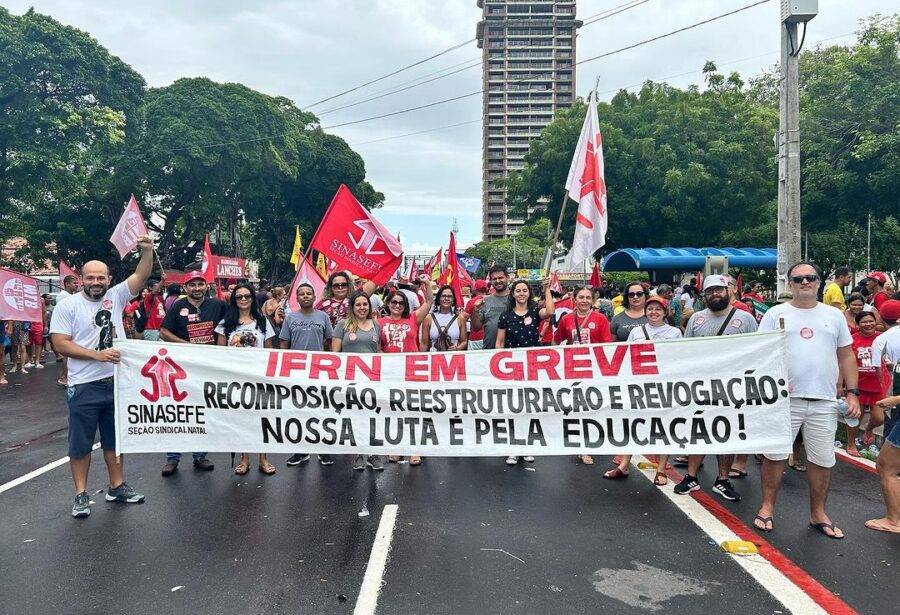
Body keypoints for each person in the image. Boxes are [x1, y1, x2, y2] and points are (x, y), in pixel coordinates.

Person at [49, 234, 154, 518]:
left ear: (109, 279)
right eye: (90, 277)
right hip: (84, 385)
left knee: (115, 439)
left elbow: (141, 276)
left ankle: (116, 486)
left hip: (117, 383)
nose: (96, 282)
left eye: (101, 278)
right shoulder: (67, 306)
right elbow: (59, 343)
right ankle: (80, 494)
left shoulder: (116, 296)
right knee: (80, 443)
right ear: (81, 279)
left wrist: (147, 251)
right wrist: (98, 355)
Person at [753, 262, 861, 538]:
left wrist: (853, 392)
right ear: (790, 284)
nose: (805, 282)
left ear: (818, 283)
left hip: (824, 399)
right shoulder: (775, 313)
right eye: (798, 279)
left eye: (810, 278)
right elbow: (759, 352)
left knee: (822, 460)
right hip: (783, 399)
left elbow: (846, 355)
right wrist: (767, 384)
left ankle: (818, 514)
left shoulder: (834, 316)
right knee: (775, 455)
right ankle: (766, 508)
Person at [673, 275, 758, 502]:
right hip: (700, 386)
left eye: (719, 290)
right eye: (710, 291)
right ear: (704, 295)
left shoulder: (746, 319)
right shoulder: (696, 320)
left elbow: (757, 352)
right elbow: (685, 353)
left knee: (727, 432)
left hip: (733, 388)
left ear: (728, 290)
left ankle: (723, 479)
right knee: (697, 430)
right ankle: (691, 476)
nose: (715, 294)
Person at [599, 295, 684, 482]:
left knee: (663, 425)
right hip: (638, 384)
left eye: (658, 309)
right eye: (650, 309)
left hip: (663, 385)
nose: (654, 312)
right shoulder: (637, 332)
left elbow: (679, 359)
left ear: (665, 312)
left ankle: (661, 469)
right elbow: (627, 356)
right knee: (632, 422)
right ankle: (624, 465)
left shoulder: (675, 333)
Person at [158, 271, 225, 476]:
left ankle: (200, 455)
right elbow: (163, 332)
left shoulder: (217, 305)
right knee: (177, 411)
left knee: (202, 411)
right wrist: (187, 346)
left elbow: (230, 326)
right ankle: (172, 458)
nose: (197, 288)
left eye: (200, 284)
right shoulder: (177, 306)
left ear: (206, 286)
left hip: (207, 367)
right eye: (192, 285)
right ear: (185, 287)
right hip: (181, 367)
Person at [214, 283, 277, 476]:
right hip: (236, 379)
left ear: (252, 298)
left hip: (258, 378)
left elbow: (269, 351)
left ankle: (263, 459)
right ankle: (244, 459)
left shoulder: (263, 322)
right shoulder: (226, 323)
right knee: (241, 420)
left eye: (247, 296)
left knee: (262, 418)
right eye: (239, 296)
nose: (243, 300)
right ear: (234, 299)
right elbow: (218, 352)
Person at [497, 278, 554, 466]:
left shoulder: (535, 312)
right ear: (513, 294)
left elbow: (550, 312)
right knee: (513, 407)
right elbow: (499, 343)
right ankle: (512, 447)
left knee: (529, 406)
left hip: (532, 367)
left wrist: (547, 290)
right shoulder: (505, 316)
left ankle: (528, 445)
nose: (521, 294)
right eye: (518, 291)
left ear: (529, 293)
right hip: (512, 368)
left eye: (524, 291)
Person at [279, 283, 334, 467]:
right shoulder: (290, 318)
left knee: (320, 410)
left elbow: (329, 342)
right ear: (297, 297)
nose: (305, 296)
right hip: (297, 371)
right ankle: (301, 451)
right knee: (299, 411)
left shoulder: (323, 316)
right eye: (301, 294)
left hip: (319, 371)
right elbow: (284, 344)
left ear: (313, 296)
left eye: (308, 293)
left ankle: (323, 451)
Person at [379, 281, 434, 465]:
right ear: (387, 304)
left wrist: (426, 283)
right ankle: (396, 447)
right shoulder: (379, 323)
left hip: (411, 372)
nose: (397, 305)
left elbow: (428, 302)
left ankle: (414, 449)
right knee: (394, 410)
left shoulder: (412, 318)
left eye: (400, 303)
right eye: (393, 302)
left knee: (413, 409)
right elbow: (377, 347)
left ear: (405, 306)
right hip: (390, 373)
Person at [332, 292, 384, 471]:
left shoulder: (376, 326)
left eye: (365, 304)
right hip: (350, 380)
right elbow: (335, 355)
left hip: (371, 380)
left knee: (371, 415)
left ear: (369, 306)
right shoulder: (342, 325)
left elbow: (377, 352)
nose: (362, 308)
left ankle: (372, 454)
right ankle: (356, 453)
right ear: (352, 307)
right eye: (358, 305)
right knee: (353, 415)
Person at [866, 300, 900, 533]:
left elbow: (879, 373)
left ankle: (894, 520)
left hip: (896, 404)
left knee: (886, 465)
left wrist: (893, 399)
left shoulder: (883, 339)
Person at [846, 311, 884, 457]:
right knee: (856, 417)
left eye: (871, 321)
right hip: (858, 385)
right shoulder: (852, 340)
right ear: (858, 324)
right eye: (864, 322)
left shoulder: (881, 338)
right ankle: (850, 443)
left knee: (879, 418)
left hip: (877, 385)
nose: (868, 324)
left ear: (876, 322)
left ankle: (868, 429)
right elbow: (845, 362)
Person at [469, 265, 511, 350]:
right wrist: (476, 310)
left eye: (500, 277)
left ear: (508, 278)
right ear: (491, 281)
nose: (498, 281)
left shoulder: (516, 299)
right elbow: (476, 327)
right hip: (490, 352)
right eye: (494, 279)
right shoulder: (485, 301)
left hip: (515, 352)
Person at [421, 285, 468, 351]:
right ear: (439, 298)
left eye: (449, 296)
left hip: (452, 359)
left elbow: (464, 341)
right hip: (434, 359)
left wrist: (457, 348)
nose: (446, 298)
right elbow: (424, 343)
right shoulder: (429, 318)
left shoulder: (460, 319)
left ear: (453, 299)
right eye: (443, 296)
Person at [464, 280, 488, 350]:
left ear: (474, 289)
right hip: (490, 338)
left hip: (476, 338)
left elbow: (464, 318)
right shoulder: (492, 300)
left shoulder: (472, 302)